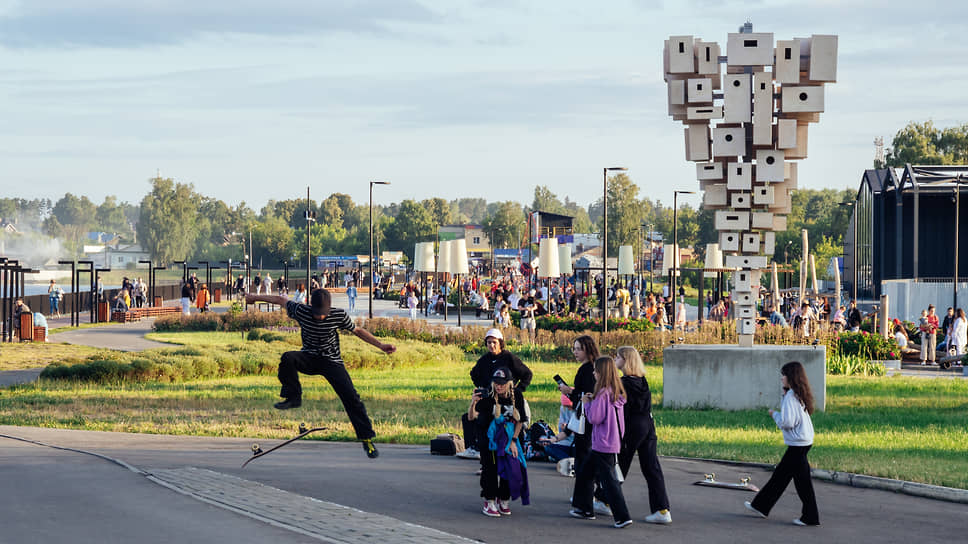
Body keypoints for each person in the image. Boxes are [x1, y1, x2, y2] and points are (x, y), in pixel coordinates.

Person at [245, 288, 395, 458]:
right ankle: (293, 397)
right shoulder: (301, 310)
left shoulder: (338, 315)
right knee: (288, 358)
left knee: (351, 397)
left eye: (323, 314)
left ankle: (367, 439)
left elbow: (357, 331)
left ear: (329, 308)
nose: (320, 317)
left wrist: (381, 345)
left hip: (331, 362)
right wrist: (254, 298)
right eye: (317, 313)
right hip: (309, 357)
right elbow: (280, 300)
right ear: (311, 307)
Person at [745, 361, 819, 526]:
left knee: (788, 479)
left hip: (798, 443)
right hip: (803, 441)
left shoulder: (791, 397)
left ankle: (810, 516)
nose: (781, 379)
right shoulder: (797, 394)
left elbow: (787, 422)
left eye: (783, 375)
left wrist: (774, 415)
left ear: (791, 377)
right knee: (789, 478)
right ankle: (762, 506)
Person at [569, 356, 632, 529]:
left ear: (601, 373)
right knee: (585, 474)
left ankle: (622, 516)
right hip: (611, 441)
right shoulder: (615, 391)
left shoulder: (603, 393)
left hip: (602, 443)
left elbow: (594, 418)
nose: (593, 373)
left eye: (596, 370)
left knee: (608, 482)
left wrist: (587, 404)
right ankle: (585, 508)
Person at [615, 346, 671, 524]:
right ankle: (662, 509)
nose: (615, 359)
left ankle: (605, 499)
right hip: (648, 424)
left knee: (620, 462)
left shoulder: (623, 383)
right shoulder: (642, 381)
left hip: (631, 425)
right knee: (651, 466)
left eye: (618, 357)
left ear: (625, 360)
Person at [460, 328, 533, 461]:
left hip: (506, 400)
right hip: (490, 398)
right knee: (469, 418)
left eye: (494, 342)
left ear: (500, 343)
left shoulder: (509, 358)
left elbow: (527, 374)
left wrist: (517, 391)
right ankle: (473, 448)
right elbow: (474, 374)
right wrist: (482, 387)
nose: (491, 345)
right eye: (488, 343)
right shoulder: (484, 359)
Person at [559, 335, 611, 515]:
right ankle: (589, 496)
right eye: (574, 348)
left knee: (584, 460)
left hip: (586, 421)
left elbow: (586, 397)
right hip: (593, 421)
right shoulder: (595, 368)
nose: (575, 352)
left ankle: (585, 499)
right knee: (589, 460)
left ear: (588, 349)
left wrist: (569, 392)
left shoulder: (588, 370)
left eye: (578, 349)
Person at [468, 367, 530, 517]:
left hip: (510, 438)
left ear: (510, 383)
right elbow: (471, 417)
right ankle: (489, 500)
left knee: (509, 468)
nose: (499, 386)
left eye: (502, 383)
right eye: (496, 383)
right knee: (490, 468)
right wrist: (473, 403)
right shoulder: (488, 395)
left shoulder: (517, 395)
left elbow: (520, 420)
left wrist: (514, 441)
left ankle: (503, 499)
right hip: (489, 438)